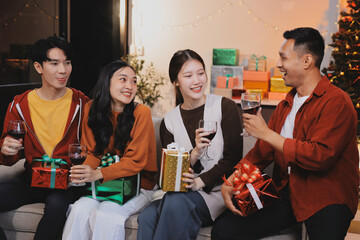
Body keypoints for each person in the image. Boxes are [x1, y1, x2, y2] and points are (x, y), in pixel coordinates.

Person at [212, 27, 359, 240]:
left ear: (307, 61)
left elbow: (319, 156)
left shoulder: (337, 102)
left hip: (327, 197)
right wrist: (233, 180)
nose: (278, 64)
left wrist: (265, 132)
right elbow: (262, 152)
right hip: (287, 193)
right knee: (224, 230)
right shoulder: (286, 104)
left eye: (283, 58)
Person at [137, 49, 243, 240]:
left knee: (176, 202)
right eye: (188, 75)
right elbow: (168, 180)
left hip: (218, 193)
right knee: (146, 217)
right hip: (180, 193)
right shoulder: (169, 122)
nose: (197, 81)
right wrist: (193, 154)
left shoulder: (224, 107)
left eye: (200, 73)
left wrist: (199, 182)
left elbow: (234, 159)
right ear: (176, 81)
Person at [0, 36, 89, 240]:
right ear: (39, 67)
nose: (63, 70)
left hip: (66, 182)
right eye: (55, 63)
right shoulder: (19, 105)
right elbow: (9, 157)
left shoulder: (82, 104)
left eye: (67, 63)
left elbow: (94, 147)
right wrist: (5, 150)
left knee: (57, 206)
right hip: (32, 178)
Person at [62, 60, 158, 240]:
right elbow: (92, 152)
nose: (130, 86)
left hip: (138, 185)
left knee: (106, 213)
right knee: (79, 211)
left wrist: (96, 174)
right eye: (123, 79)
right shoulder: (91, 108)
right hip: (104, 185)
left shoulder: (141, 113)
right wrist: (82, 174)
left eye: (134, 81)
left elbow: (134, 162)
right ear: (107, 82)